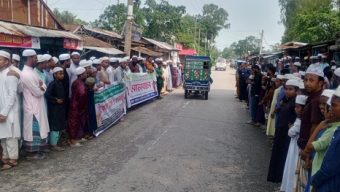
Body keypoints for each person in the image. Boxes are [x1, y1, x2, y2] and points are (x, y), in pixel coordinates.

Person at [267, 78, 299, 183]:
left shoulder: (296, 103)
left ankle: (281, 179)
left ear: (297, 91)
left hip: (287, 134)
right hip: (280, 130)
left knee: (283, 156)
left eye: (291, 89)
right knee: (277, 155)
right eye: (286, 89)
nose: (288, 91)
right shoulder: (286, 99)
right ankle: (276, 178)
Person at [21, 49, 50, 160]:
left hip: (37, 104)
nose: (36, 60)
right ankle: (31, 154)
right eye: (35, 58)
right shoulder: (26, 74)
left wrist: (42, 86)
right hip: (32, 106)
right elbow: (38, 92)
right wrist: (42, 87)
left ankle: (35, 152)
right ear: (30, 58)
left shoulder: (31, 71)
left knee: (38, 129)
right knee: (33, 131)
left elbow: (42, 85)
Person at [280, 94, 307, 192]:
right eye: (295, 107)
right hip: (294, 146)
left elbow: (291, 132)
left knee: (292, 168)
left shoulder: (300, 120)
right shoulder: (299, 119)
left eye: (298, 107)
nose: (296, 109)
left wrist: (291, 128)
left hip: (296, 148)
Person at [0, 50, 21, 170]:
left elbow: (12, 95)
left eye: (0, 59)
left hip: (9, 111)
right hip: (2, 110)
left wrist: (4, 112)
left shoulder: (11, 74)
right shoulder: (1, 73)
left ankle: (13, 159)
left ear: (7, 61)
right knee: (3, 135)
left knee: (10, 136)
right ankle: (5, 158)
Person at [45, 67, 66, 151]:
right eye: (60, 73)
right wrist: (56, 100)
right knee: (55, 126)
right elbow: (47, 95)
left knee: (59, 125)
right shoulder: (52, 84)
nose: (62, 75)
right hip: (54, 108)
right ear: (55, 75)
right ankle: (53, 145)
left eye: (62, 73)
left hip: (60, 108)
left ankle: (56, 142)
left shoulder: (60, 83)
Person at [68, 67, 89, 147]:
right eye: (85, 74)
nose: (86, 75)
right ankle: (72, 140)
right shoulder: (79, 84)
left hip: (77, 105)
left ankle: (78, 137)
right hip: (76, 106)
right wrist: (81, 107)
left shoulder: (77, 82)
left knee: (80, 122)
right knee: (74, 123)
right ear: (81, 75)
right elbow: (82, 95)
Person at [59, 54, 71, 118]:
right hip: (62, 100)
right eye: (69, 61)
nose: (70, 63)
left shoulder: (64, 70)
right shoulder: (60, 72)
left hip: (65, 98)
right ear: (65, 62)